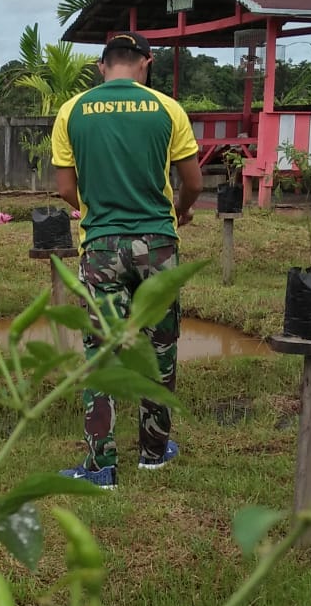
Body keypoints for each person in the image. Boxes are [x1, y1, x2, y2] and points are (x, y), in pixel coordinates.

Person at [50, 31, 203, 489]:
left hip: (100, 247)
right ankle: (154, 452)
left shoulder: (72, 111)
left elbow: (64, 190)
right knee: (160, 349)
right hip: (158, 244)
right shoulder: (167, 108)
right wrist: (179, 212)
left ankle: (101, 467)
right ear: (146, 62)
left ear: (102, 66)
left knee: (101, 354)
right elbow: (193, 182)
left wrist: (98, 210)